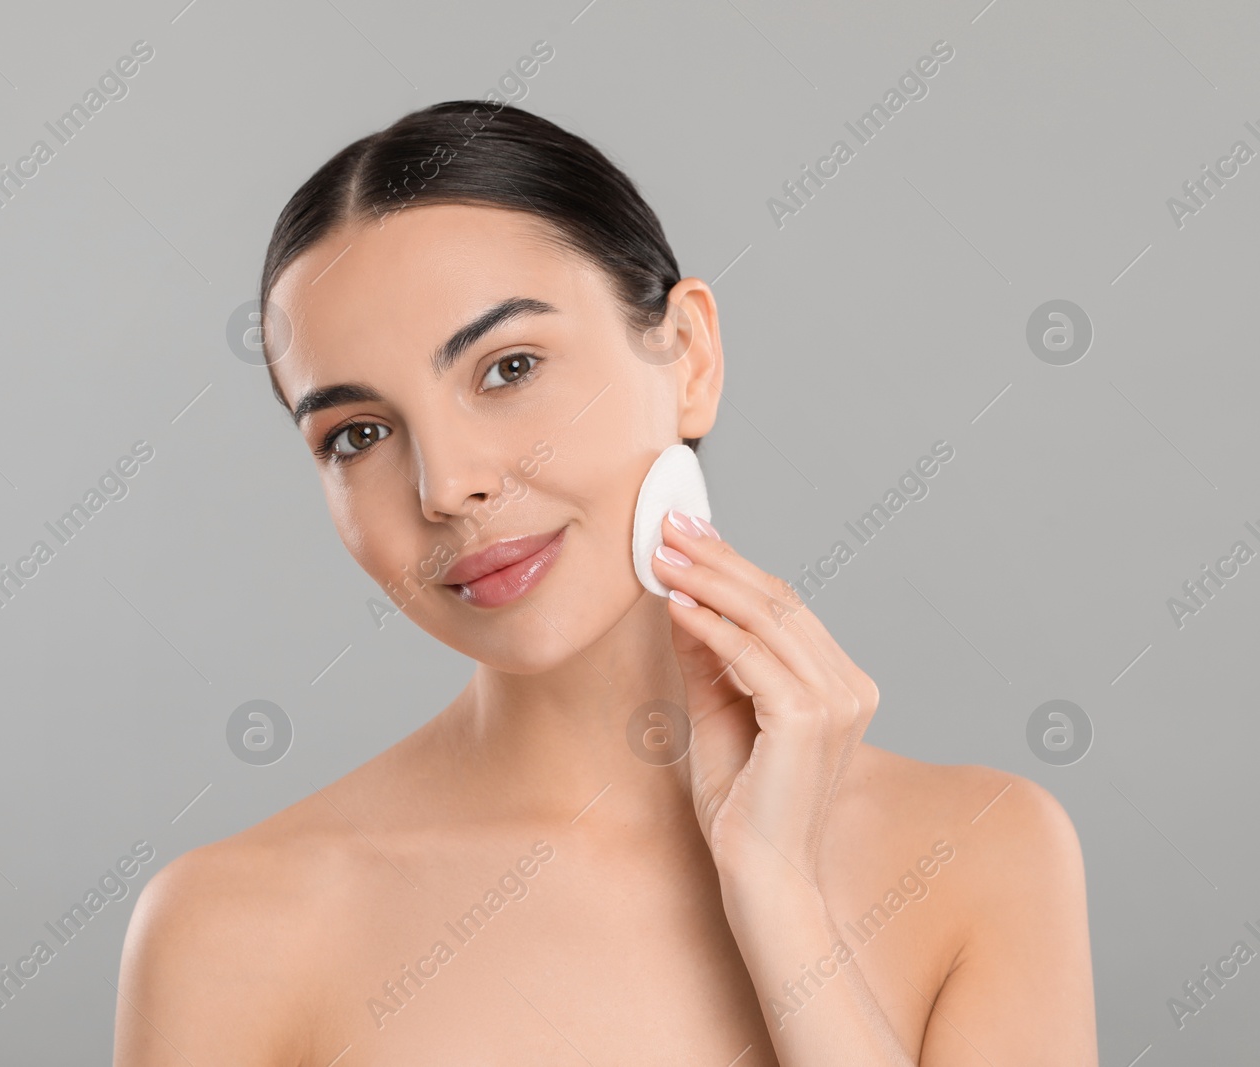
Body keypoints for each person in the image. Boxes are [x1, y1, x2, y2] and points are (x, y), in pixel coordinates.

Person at [112, 100, 1097, 1066]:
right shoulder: (228, 927)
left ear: (688, 356)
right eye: (356, 434)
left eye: (508, 367)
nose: (448, 485)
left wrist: (779, 891)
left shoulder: (984, 854)